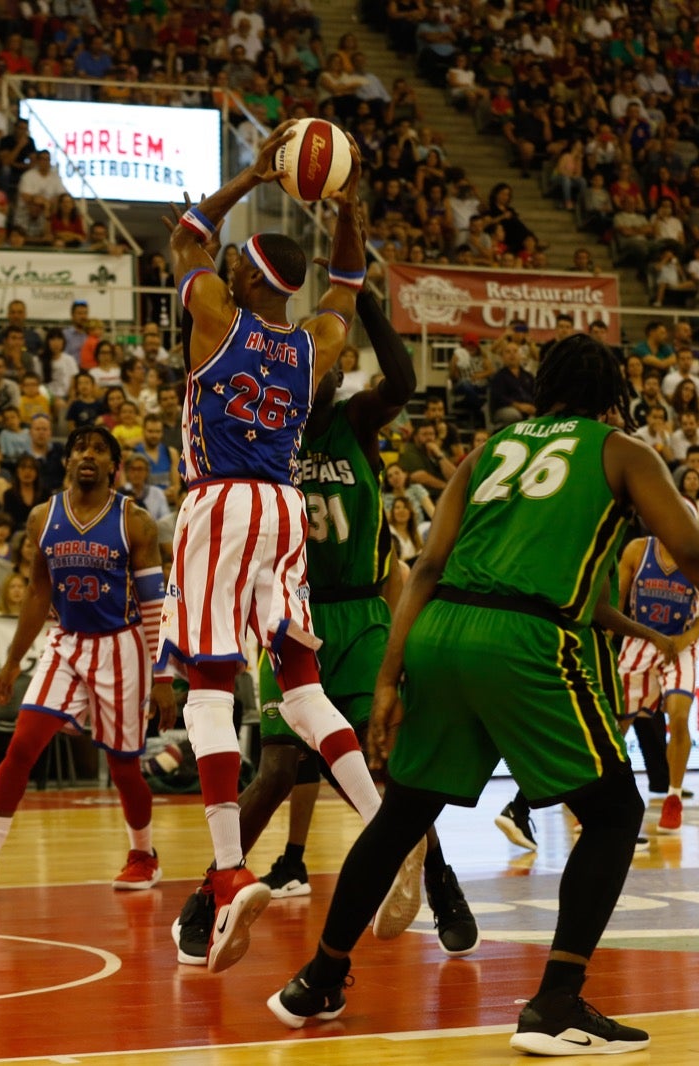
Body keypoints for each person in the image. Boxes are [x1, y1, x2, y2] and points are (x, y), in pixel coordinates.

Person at [267, 335, 699, 1054]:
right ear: (612, 394)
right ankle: (556, 1002)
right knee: (614, 813)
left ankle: (319, 978)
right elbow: (697, 551)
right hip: (527, 639)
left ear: (542, 388)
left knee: (400, 817)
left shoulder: (489, 451)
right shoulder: (621, 450)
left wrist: (390, 676)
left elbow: (424, 568)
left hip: (440, 630)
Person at [158, 121, 415, 974]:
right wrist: (345, 207)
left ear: (243, 275)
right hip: (284, 509)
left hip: (221, 501)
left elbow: (185, 234)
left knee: (208, 686)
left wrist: (250, 175)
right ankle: (387, 833)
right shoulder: (315, 345)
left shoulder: (214, 318)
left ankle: (230, 873)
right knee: (301, 688)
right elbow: (347, 280)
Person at [176, 286, 479, 968]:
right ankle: (215, 887)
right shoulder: (258, 431)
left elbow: (401, 380)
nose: (328, 373)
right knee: (279, 765)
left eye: (333, 367)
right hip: (288, 604)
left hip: (362, 611)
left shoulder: (357, 422)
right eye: (322, 366)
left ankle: (439, 882)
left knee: (388, 762)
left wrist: (366, 296)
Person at [0, 425, 176, 895]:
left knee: (123, 766)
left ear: (114, 467)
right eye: (79, 448)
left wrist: (163, 675)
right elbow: (37, 591)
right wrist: (13, 662)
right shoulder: (41, 516)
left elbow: (156, 605)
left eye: (98, 449)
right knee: (23, 745)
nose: (87, 455)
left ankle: (143, 855)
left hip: (121, 646)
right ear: (68, 461)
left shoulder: (136, 522)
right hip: (66, 643)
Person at [615, 519, 699, 834]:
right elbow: (616, 605)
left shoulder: (698, 559)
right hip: (639, 642)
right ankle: (596, 796)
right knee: (615, 724)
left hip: (679, 646)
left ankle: (673, 797)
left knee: (678, 716)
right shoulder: (637, 550)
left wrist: (688, 638)